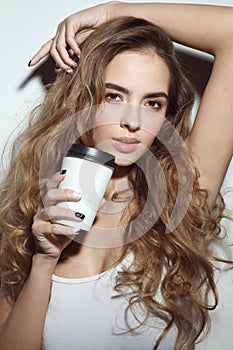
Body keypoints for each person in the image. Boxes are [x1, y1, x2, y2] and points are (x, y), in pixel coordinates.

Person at [0, 2, 233, 350]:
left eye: (153, 103)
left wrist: (113, 11)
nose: (133, 121)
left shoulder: (183, 190)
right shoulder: (29, 218)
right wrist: (44, 260)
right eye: (114, 96)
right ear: (83, 103)